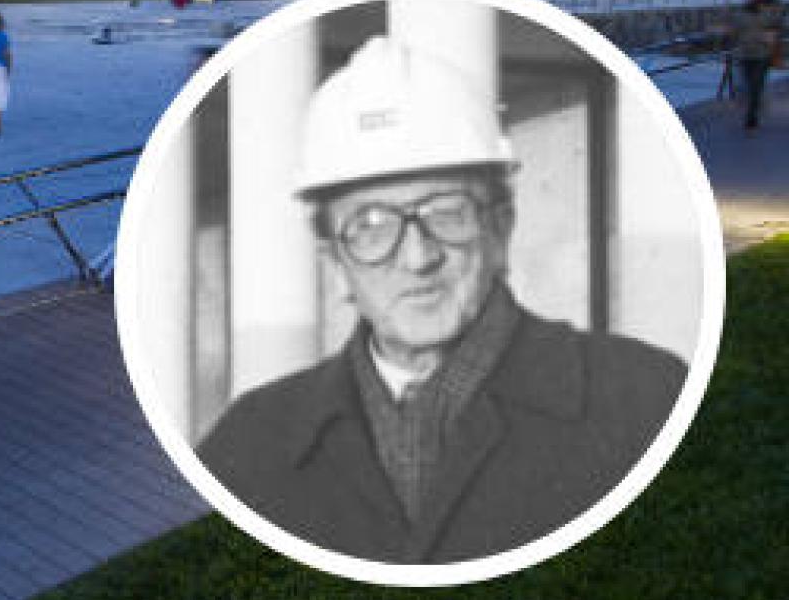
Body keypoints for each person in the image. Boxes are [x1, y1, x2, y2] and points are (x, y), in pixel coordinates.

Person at [196, 36, 688, 564]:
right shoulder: (247, 446)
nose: (417, 257)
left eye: (447, 213)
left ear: (502, 224)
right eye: (371, 225)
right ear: (333, 257)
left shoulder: (646, 401)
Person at [728, 0, 785, 132]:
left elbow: (778, 28)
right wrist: (728, 31)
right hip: (744, 52)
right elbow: (737, 26)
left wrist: (777, 52)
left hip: (763, 53)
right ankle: (754, 106)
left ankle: (751, 118)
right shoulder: (747, 5)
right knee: (746, 86)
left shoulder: (775, 6)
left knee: (756, 85)